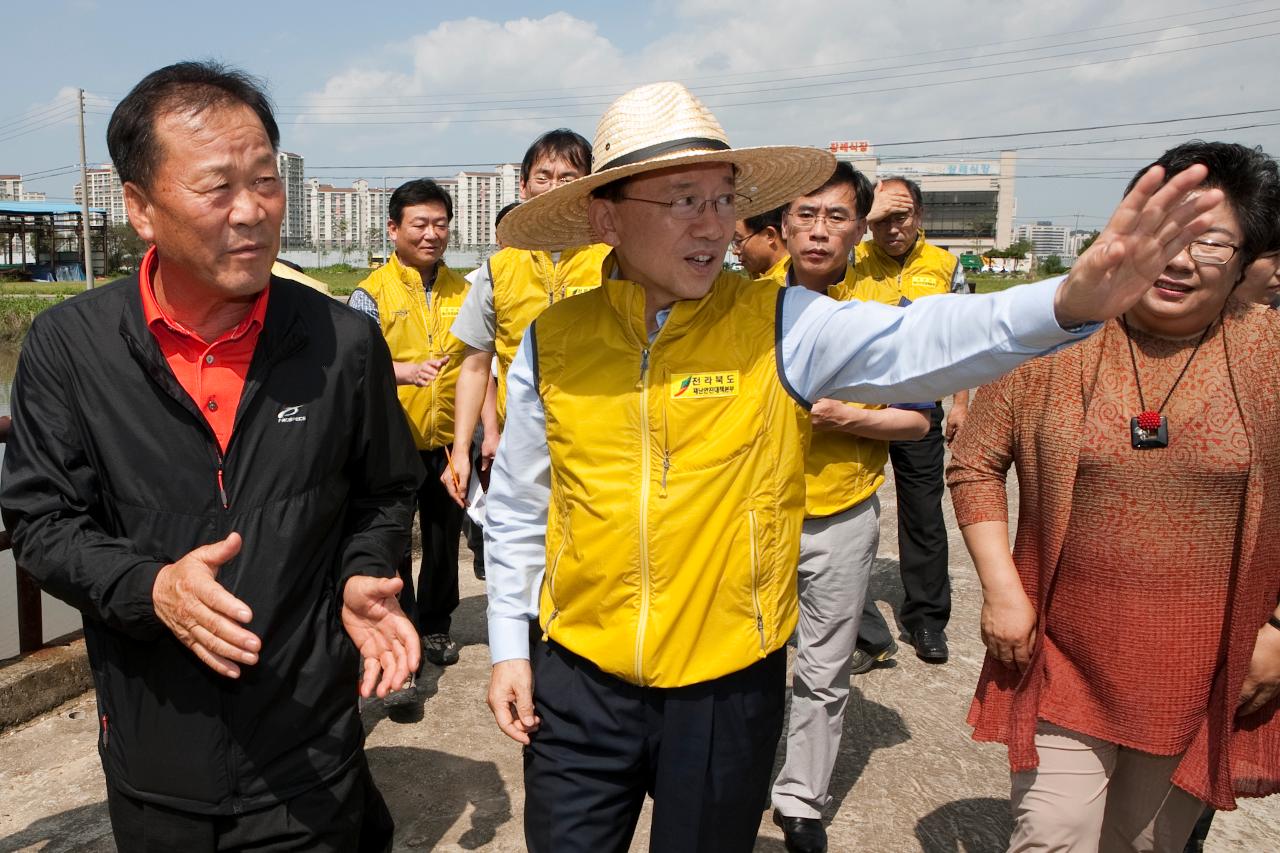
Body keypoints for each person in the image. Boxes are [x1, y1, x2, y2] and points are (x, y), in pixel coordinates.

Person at [481, 80, 1221, 852]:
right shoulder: (551, 340)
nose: (714, 224)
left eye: (722, 198)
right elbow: (521, 508)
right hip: (577, 679)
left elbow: (922, 339)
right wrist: (509, 645)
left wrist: (1068, 302)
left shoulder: (779, 323)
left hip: (725, 685)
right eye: (682, 200)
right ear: (607, 217)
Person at [0, 62, 422, 852]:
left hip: (310, 746)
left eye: (266, 180)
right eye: (217, 187)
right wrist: (151, 586)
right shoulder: (69, 348)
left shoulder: (342, 340)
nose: (252, 211)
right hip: (159, 754)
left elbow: (386, 488)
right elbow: (41, 522)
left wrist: (366, 568)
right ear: (140, 209)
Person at [947, 141, 1280, 852]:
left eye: (1210, 242)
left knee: (1144, 844)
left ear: (1249, 255)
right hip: (1062, 653)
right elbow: (974, 461)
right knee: (1052, 836)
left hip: (1202, 668)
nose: (1181, 259)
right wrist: (1002, 588)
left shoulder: (1270, 356)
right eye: (1164, 233)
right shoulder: (1054, 340)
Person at [768, 161, 933, 853]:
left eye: (836, 217)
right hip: (752, 516)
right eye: (805, 215)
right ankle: (734, 771)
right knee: (739, 662)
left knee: (824, 666)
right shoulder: (741, 308)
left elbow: (919, 421)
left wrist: (846, 419)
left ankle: (801, 797)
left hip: (841, 516)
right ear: (781, 225)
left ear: (858, 229)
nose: (818, 230)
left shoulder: (883, 317)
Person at [444, 130, 613, 505]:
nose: (554, 187)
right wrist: (460, 451)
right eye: (543, 176)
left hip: (602, 442)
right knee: (518, 550)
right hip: (518, 442)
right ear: (523, 187)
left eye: (569, 178)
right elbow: (474, 365)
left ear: (588, 187)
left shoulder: (613, 261)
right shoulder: (498, 268)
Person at [349, 178, 470, 667]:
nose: (431, 234)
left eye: (440, 224)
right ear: (393, 229)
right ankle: (402, 623)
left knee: (444, 538)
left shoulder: (467, 289)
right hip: (392, 444)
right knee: (393, 541)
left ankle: (437, 626)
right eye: (419, 224)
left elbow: (480, 362)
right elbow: (356, 367)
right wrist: (402, 372)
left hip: (447, 442)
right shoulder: (369, 294)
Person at [853, 176, 972, 666]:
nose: (890, 229)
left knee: (923, 516)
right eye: (880, 220)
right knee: (851, 511)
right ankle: (855, 624)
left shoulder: (945, 266)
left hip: (919, 407)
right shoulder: (852, 260)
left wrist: (960, 402)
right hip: (858, 409)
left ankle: (926, 620)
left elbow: (962, 337)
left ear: (919, 216)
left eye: (900, 217)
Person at [732, 204, 788, 279]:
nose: (735, 251)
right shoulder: (759, 275)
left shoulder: (781, 285)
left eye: (738, 240)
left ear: (769, 235)